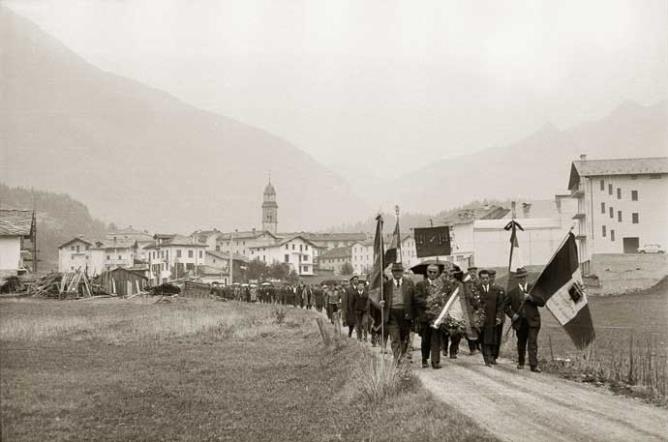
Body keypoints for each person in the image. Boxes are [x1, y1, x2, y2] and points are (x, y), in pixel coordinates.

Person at [505, 267, 545, 372]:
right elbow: (505, 306)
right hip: (520, 322)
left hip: (533, 321)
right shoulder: (512, 292)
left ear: (526, 277)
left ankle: (533, 365)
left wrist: (531, 298)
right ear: (517, 279)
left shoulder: (533, 288)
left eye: (523, 277)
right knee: (521, 343)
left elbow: (542, 302)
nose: (522, 279)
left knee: (532, 342)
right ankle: (521, 362)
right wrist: (512, 315)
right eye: (520, 277)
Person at [415, 264, 449, 369]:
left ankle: (435, 361)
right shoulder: (420, 284)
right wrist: (428, 302)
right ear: (427, 272)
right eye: (430, 272)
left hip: (437, 317)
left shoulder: (442, 285)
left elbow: (446, 298)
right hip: (425, 316)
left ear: (438, 273)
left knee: (436, 339)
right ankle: (424, 359)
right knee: (425, 339)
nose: (432, 274)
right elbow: (416, 298)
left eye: (435, 272)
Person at [381, 263, 416, 361]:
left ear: (403, 272)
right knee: (394, 337)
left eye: (399, 271)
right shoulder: (386, 285)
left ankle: (403, 354)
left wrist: (414, 315)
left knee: (404, 337)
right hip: (392, 314)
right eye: (395, 271)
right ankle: (397, 358)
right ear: (392, 272)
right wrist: (382, 302)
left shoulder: (409, 283)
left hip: (405, 314)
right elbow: (382, 298)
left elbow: (414, 300)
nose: (397, 273)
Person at [478, 269, 505, 366]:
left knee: (493, 338)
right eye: (483, 278)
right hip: (481, 319)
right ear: (480, 279)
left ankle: (491, 357)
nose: (485, 280)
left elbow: (501, 304)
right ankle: (487, 358)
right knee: (484, 339)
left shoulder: (496, 289)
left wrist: (498, 317)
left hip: (493, 318)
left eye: (486, 278)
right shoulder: (476, 289)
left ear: (489, 278)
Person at [488, 269, 505, 360]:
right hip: (488, 317)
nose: (491, 279)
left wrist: (498, 317)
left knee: (497, 337)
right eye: (490, 277)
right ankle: (489, 354)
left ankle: (494, 356)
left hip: (498, 317)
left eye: (493, 277)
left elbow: (502, 304)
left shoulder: (500, 288)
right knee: (489, 336)